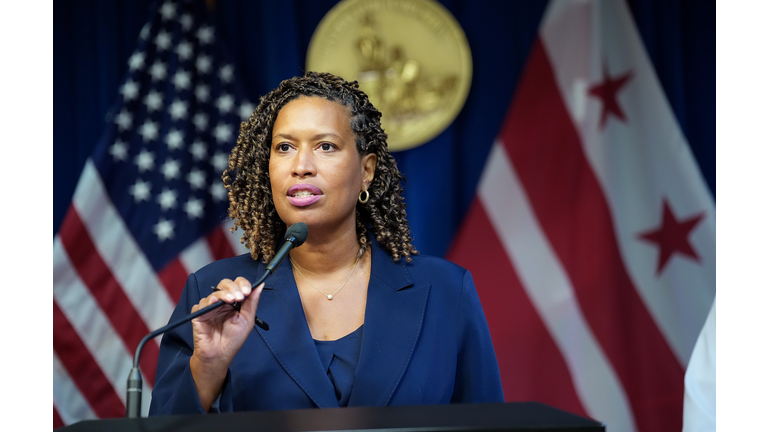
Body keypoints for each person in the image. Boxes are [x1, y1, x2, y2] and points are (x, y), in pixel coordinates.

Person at [149, 71, 504, 415]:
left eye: (326, 146)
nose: (301, 166)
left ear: (366, 171)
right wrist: (208, 367)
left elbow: (490, 429)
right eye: (284, 147)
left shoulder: (445, 291)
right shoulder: (213, 296)